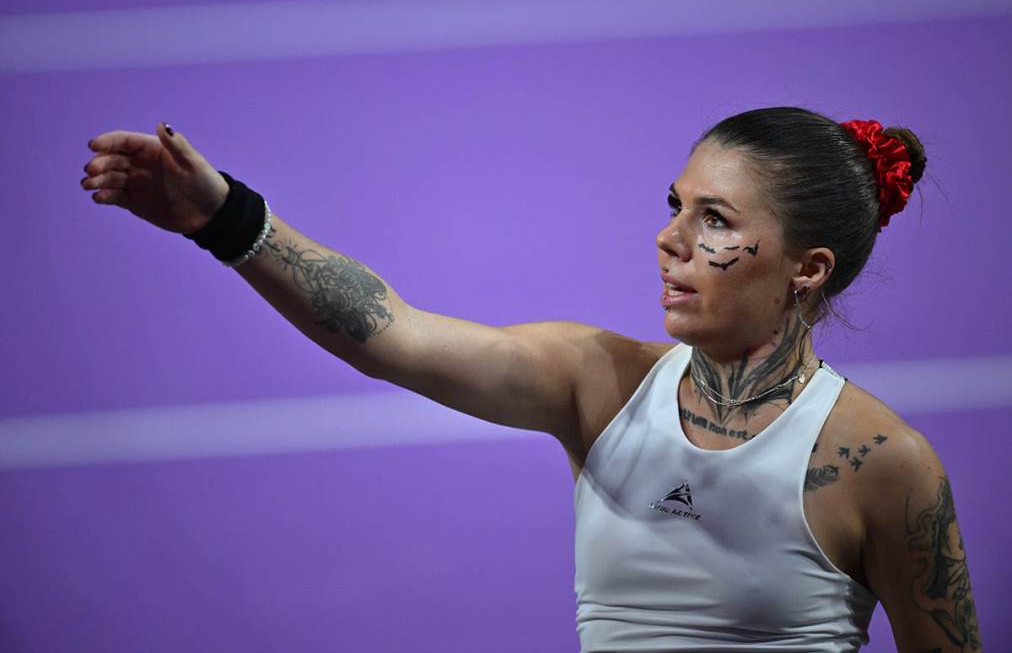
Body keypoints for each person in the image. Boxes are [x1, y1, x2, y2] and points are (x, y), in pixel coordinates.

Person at [81, 106, 981, 652]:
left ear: (808, 268)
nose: (669, 238)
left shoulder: (883, 462)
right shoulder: (601, 383)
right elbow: (390, 333)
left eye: (715, 219)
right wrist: (227, 219)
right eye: (676, 205)